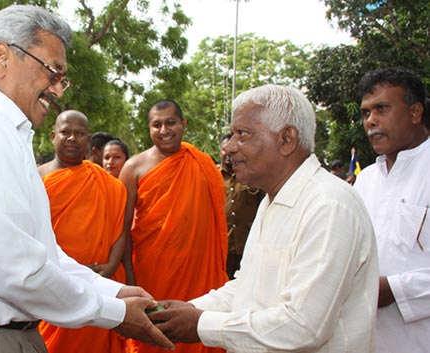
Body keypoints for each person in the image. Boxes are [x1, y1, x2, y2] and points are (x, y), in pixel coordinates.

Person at [0, 5, 173, 353]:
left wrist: (113, 291)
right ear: (2, 58)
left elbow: (42, 256)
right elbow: (15, 270)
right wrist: (116, 313)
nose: (57, 90)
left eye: (62, 78)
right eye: (51, 71)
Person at [150, 85, 379, 353]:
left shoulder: (329, 205)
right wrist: (190, 309)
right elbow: (247, 287)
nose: (230, 147)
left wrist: (201, 324)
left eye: (242, 134)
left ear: (286, 140)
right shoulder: (272, 200)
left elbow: (303, 326)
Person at [119, 99, 229, 353]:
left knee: (197, 330)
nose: (164, 130)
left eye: (171, 122)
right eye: (156, 125)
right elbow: (123, 229)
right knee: (154, 337)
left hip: (198, 273)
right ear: (148, 128)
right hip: (153, 272)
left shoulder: (201, 163)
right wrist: (129, 276)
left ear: (183, 124)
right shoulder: (133, 168)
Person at [37, 110, 129, 353]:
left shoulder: (108, 184)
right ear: (53, 136)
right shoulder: (36, 177)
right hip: (52, 282)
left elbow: (120, 231)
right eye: (66, 132)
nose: (72, 138)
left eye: (79, 134)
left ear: (89, 141)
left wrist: (110, 266)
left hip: (99, 281)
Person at [354, 67, 430, 353]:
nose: (371, 120)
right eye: (365, 113)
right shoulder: (365, 180)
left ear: (415, 112)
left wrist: (395, 290)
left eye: (381, 109)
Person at [219, 133, 263, 279]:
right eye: (225, 150)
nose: (229, 154)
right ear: (220, 150)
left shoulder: (252, 177)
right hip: (222, 249)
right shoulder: (212, 176)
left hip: (249, 246)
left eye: (234, 150)